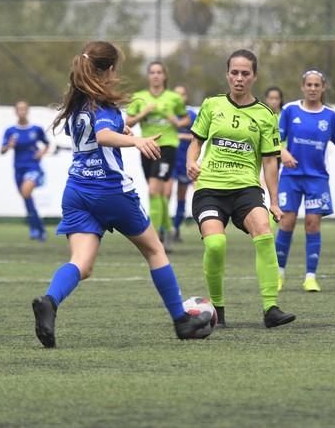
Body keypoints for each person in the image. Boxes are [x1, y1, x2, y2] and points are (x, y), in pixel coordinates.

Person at [31, 41, 207, 348]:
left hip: (77, 192)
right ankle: (182, 321)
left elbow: (95, 133)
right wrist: (136, 142)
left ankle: (50, 301)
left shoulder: (76, 105)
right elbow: (102, 135)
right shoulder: (104, 105)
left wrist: (124, 131)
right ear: (109, 69)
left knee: (81, 264)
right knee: (155, 251)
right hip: (110, 192)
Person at [186, 49, 295, 328]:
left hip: (246, 188)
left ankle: (271, 308)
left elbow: (270, 161)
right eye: (234, 72)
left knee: (264, 231)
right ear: (227, 74)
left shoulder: (265, 114)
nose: (239, 78)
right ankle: (218, 311)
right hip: (209, 188)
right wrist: (191, 162)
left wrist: (273, 201)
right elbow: (195, 142)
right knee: (216, 243)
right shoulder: (211, 105)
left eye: (245, 73)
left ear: (254, 76)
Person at [275, 68, 335, 293]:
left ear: (323, 88)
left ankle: (310, 277)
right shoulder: (290, 110)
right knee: (286, 222)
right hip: (291, 177)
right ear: (303, 87)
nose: (312, 89)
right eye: (308, 85)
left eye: (316, 85)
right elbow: (276, 139)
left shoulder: (330, 116)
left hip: (316, 178)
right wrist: (283, 152)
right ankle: (279, 274)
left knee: (312, 224)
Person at [126, 62, 191, 252]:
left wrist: (176, 122)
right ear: (148, 76)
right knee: (158, 193)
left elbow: (186, 118)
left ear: (164, 76)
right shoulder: (140, 97)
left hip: (167, 147)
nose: (155, 75)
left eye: (159, 72)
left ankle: (153, 240)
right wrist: (143, 113)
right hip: (146, 146)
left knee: (154, 190)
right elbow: (128, 121)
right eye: (152, 72)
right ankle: (168, 230)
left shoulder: (173, 97)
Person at [1, 100, 50, 241]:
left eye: (24, 109)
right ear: (15, 112)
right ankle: (38, 228)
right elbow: (2, 150)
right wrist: (9, 145)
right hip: (18, 169)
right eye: (19, 109)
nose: (22, 111)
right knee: (26, 198)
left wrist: (42, 152)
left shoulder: (36, 129)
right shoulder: (11, 131)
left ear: (27, 111)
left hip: (33, 167)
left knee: (26, 191)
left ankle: (36, 229)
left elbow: (46, 144)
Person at [166, 84, 198, 243]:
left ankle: (176, 228)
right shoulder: (167, 114)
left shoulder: (191, 115)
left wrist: (178, 137)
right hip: (169, 159)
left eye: (182, 95)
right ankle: (163, 229)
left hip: (184, 162)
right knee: (165, 193)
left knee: (181, 196)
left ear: (186, 97)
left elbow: (197, 138)